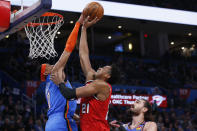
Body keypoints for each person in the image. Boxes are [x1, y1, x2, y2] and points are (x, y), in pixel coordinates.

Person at [50, 16, 121, 131]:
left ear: (107, 76)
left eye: (104, 68)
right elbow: (83, 54)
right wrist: (84, 28)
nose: (100, 67)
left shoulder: (102, 86)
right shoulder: (92, 78)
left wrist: (60, 83)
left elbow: (69, 94)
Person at [39, 14, 83, 131]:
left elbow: (60, 105)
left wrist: (73, 114)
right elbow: (68, 48)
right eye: (48, 66)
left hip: (55, 121)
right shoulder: (54, 73)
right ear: (46, 72)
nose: (52, 65)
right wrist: (78, 24)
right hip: (61, 122)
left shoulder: (50, 85)